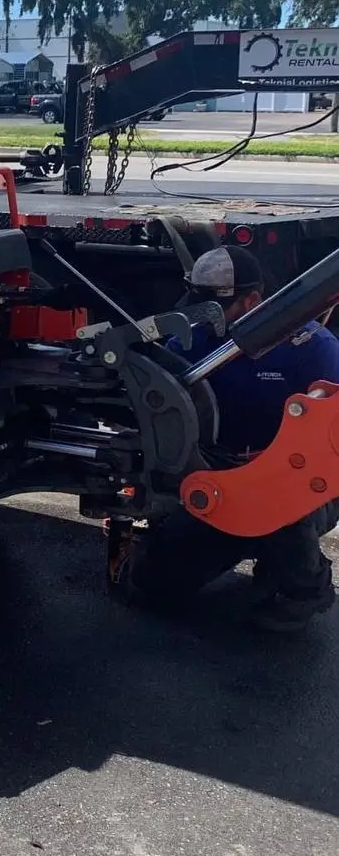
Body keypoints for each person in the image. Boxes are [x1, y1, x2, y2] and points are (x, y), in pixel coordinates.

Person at [129, 244, 339, 631]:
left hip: (294, 478)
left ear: (252, 300)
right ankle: (239, 544)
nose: (201, 317)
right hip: (220, 474)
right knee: (152, 586)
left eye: (213, 307)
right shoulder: (188, 343)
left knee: (280, 513)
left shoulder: (312, 349)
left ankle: (306, 586)